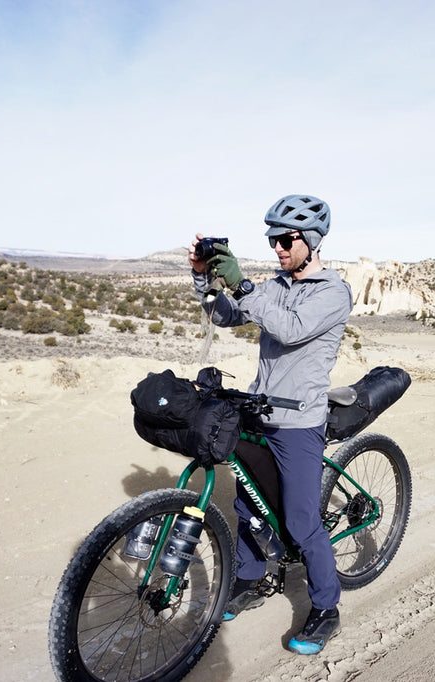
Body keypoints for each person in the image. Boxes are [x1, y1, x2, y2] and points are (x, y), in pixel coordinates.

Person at [188, 194, 353, 655]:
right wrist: (204, 278)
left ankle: (326, 606)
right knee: (247, 504)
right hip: (260, 411)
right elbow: (226, 316)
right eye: (272, 239)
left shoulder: (332, 292)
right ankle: (250, 576)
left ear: (312, 240)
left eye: (286, 239)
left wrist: (244, 287)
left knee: (301, 520)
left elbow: (290, 328)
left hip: (299, 421)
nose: (278, 247)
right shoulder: (276, 284)